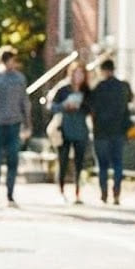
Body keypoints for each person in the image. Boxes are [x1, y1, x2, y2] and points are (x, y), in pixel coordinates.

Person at [0, 46, 32, 205]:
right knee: (0, 156)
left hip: (11, 122)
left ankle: (7, 190)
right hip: (0, 122)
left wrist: (27, 121)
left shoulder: (9, 77)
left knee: (10, 158)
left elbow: (24, 101)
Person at [84, 57, 135, 204]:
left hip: (101, 131)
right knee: (118, 163)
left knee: (103, 165)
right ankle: (117, 192)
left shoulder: (98, 88)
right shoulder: (123, 86)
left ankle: (104, 193)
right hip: (119, 130)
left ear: (102, 71)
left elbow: (89, 105)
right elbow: (130, 100)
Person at [49, 62, 91, 203]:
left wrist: (83, 106)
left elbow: (92, 109)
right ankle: (61, 190)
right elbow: (52, 106)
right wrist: (64, 106)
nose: (79, 76)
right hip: (64, 128)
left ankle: (78, 193)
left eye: (81, 73)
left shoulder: (87, 91)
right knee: (63, 161)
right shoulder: (63, 89)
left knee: (79, 163)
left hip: (80, 129)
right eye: (76, 73)